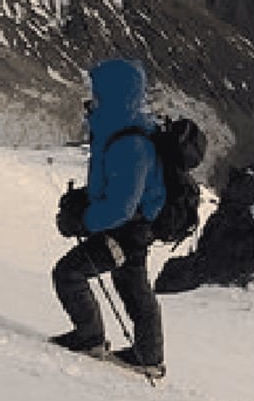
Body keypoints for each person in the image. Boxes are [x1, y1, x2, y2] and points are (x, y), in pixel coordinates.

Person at [50, 56, 167, 380]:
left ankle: (90, 339)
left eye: (97, 92)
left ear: (114, 94)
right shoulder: (122, 132)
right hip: (134, 229)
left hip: (125, 231)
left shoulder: (130, 144)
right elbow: (115, 187)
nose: (91, 99)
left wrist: (84, 220)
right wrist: (85, 199)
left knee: (69, 274)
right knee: (133, 286)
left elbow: (121, 207)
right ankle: (148, 356)